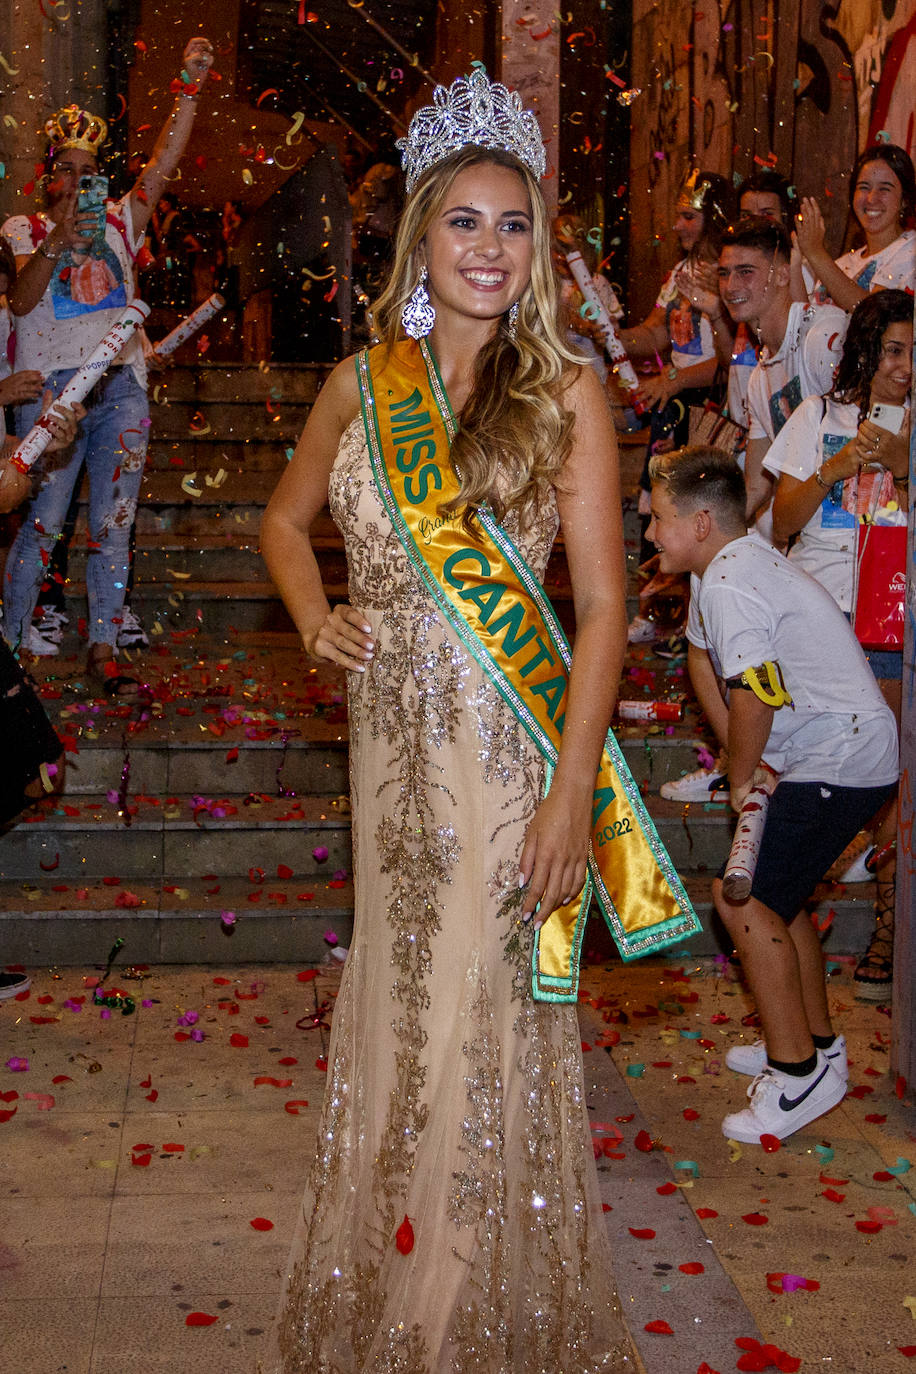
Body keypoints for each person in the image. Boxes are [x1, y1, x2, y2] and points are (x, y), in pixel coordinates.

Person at [259, 70, 638, 1372]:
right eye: (466, 221)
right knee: (404, 1037)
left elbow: (602, 611)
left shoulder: (567, 390)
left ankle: (434, 1341)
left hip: (502, 776)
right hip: (388, 782)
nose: (489, 246)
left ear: (540, 246)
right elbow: (279, 518)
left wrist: (572, 791)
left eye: (515, 223)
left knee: (478, 1041)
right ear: (422, 234)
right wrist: (313, 613)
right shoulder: (367, 383)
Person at [647, 445, 898, 1142]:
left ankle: (796, 1076)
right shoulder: (723, 571)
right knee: (777, 902)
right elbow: (703, 657)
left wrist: (742, 772)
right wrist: (741, 758)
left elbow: (755, 689)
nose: (649, 533)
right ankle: (816, 1046)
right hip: (833, 748)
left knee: (748, 903)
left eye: (660, 518)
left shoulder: (728, 581)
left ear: (700, 523)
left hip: (843, 753)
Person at [1, 36, 213, 694]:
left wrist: (190, 88)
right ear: (48, 176)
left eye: (86, 169)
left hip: (120, 387)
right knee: (41, 523)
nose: (75, 180)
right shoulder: (22, 230)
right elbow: (21, 299)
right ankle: (6, 642)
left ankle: (101, 645)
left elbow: (166, 163)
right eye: (64, 167)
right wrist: (58, 239)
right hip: (54, 395)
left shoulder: (124, 221)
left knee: (113, 524)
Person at [766, 289, 911, 999]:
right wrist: (839, 463)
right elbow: (781, 524)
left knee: (890, 786)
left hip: (892, 630)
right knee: (819, 781)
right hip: (819, 629)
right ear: (864, 349)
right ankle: (784, 900)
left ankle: (887, 927)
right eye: (892, 350)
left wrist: (905, 467)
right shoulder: (816, 417)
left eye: (915, 353)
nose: (904, 367)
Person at [796, 143, 916, 310]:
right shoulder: (842, 264)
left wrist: (816, 253)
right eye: (864, 188)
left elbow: (875, 316)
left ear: (905, 200)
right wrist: (796, 262)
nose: (872, 198)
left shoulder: (910, 254)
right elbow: (806, 323)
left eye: (884, 189)